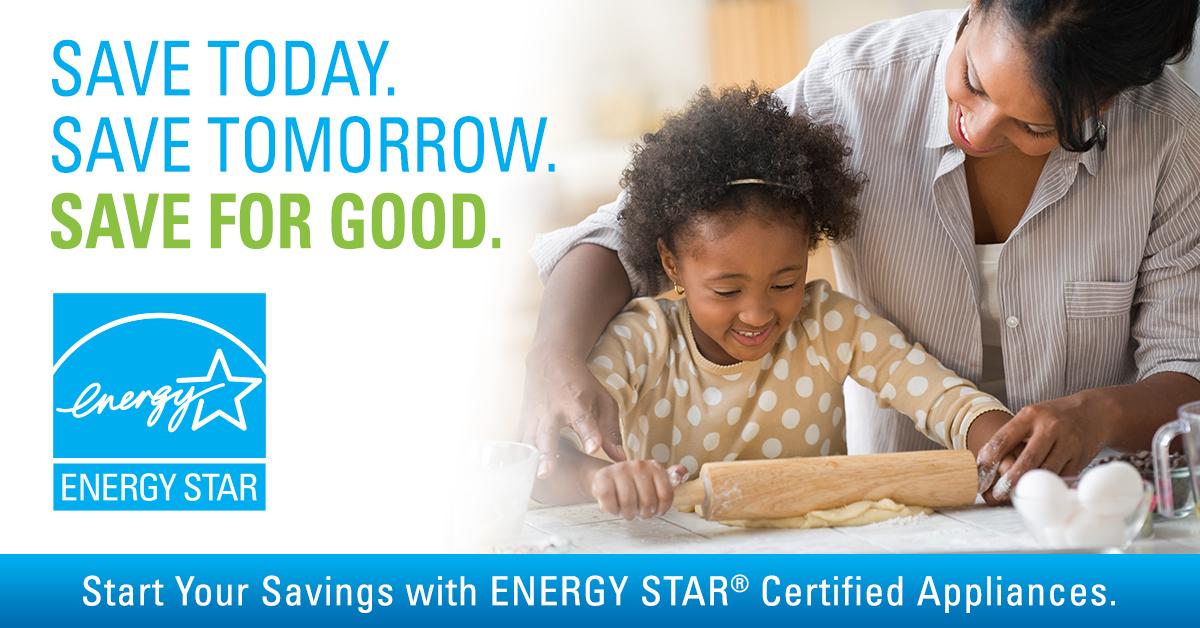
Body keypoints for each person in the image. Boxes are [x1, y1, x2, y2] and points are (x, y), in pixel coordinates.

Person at [523, 0, 1200, 502]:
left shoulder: (1171, 137)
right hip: (898, 518)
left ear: (1106, 104)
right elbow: (632, 227)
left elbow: (1184, 368)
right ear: (976, 8)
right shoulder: (854, 89)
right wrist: (551, 355)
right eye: (973, 79)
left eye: (1033, 126)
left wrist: (1101, 413)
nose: (979, 130)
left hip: (1093, 512)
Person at [532, 86, 1013, 518]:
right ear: (671, 263)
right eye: (727, 291)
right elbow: (544, 464)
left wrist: (1010, 451)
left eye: (785, 283)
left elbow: (941, 398)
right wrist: (601, 478)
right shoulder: (642, 342)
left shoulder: (828, 325)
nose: (759, 314)